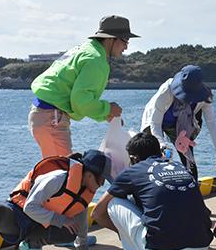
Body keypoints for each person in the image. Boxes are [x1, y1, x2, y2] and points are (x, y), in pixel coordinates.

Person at [92, 132, 213, 250]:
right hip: (200, 248)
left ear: (133, 158)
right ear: (158, 151)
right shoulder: (179, 167)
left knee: (114, 203)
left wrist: (124, 233)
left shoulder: (133, 171)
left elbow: (97, 212)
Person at [29, 15, 137, 158]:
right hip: (52, 117)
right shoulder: (95, 60)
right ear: (111, 39)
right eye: (125, 40)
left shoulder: (85, 48)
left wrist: (105, 113)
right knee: (62, 172)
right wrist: (108, 109)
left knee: (54, 171)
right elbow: (81, 101)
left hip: (45, 114)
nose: (126, 47)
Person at [141, 65, 216, 180]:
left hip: (181, 125)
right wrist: (162, 145)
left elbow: (211, 123)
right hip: (155, 121)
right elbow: (155, 123)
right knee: (150, 156)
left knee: (188, 160)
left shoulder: (205, 97)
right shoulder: (166, 91)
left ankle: (193, 189)